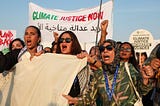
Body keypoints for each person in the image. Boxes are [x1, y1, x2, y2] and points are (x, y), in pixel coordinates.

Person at [63, 39, 154, 106]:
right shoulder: (99, 73)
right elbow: (90, 99)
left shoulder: (127, 67)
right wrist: (75, 101)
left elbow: (142, 90)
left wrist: (145, 79)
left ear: (116, 52)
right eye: (102, 49)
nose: (105, 50)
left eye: (109, 48)